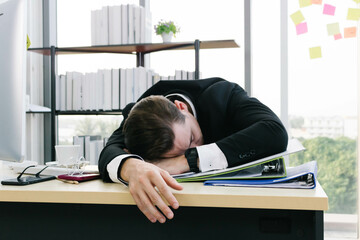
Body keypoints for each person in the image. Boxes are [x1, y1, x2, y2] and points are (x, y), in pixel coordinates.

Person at [98, 77, 288, 224]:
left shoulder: (224, 94)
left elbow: (275, 133)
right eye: (178, 154)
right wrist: (132, 167)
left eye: (191, 138)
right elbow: (110, 152)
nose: (194, 147)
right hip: (182, 214)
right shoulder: (141, 117)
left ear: (181, 108)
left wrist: (186, 161)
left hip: (247, 208)